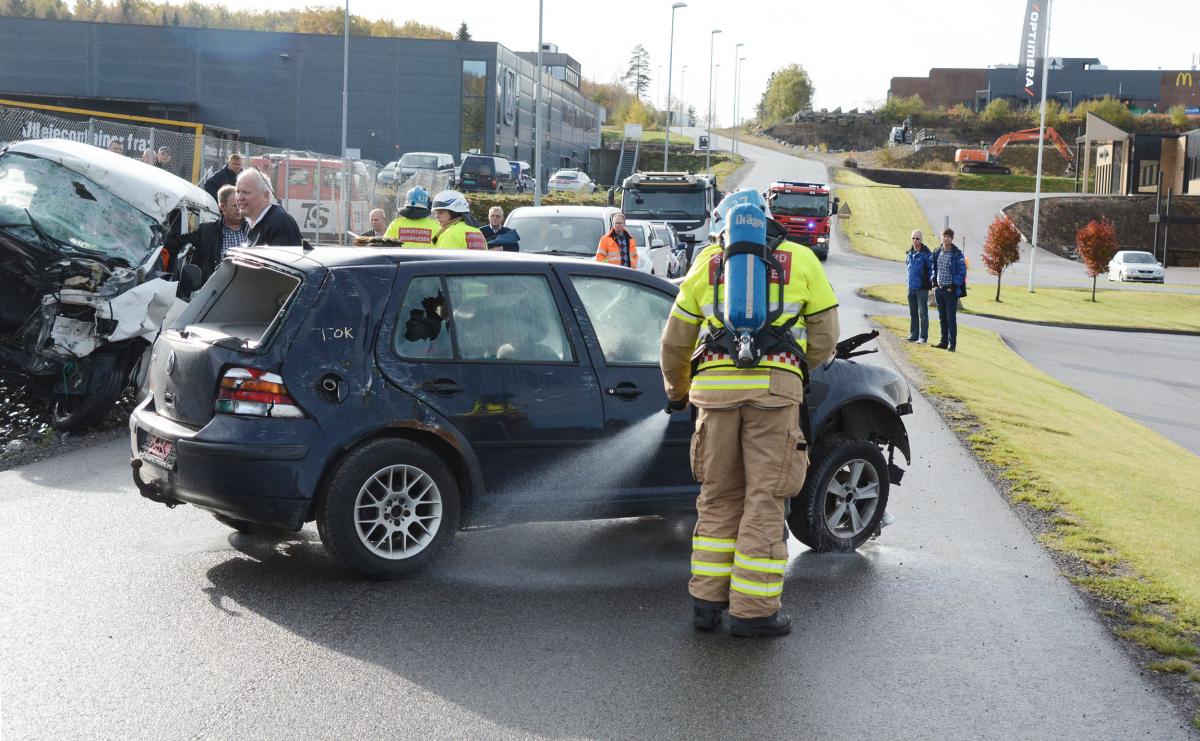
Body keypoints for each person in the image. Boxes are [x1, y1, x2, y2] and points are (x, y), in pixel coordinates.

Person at [660, 189, 840, 639]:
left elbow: (674, 342)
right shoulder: (801, 260)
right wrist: (795, 371)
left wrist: (678, 393)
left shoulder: (706, 264)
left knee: (717, 497)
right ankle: (753, 612)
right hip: (772, 396)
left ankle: (706, 603)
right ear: (768, 219)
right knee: (764, 498)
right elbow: (826, 337)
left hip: (713, 399)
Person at [164, 185, 247, 281]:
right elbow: (176, 242)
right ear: (222, 207)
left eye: (241, 205)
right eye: (235, 206)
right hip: (217, 288)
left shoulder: (253, 230)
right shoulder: (207, 231)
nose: (239, 209)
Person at [237, 167, 303, 247]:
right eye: (237, 192)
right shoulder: (250, 223)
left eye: (246, 192)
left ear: (265, 196)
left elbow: (287, 258)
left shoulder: (279, 223)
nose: (239, 198)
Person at [930, 227, 967, 352]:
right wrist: (933, 282)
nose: (946, 239)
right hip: (939, 290)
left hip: (950, 291)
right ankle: (943, 342)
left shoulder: (956, 254)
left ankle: (952, 345)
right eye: (944, 236)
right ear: (941, 237)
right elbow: (934, 268)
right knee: (942, 317)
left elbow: (962, 272)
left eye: (948, 237)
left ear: (952, 238)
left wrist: (953, 285)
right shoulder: (937, 251)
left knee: (951, 318)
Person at [905, 229, 934, 344]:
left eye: (917, 238)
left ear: (921, 240)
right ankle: (913, 335)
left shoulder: (927, 254)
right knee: (913, 312)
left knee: (923, 313)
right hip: (910, 287)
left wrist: (932, 280)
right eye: (913, 238)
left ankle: (923, 337)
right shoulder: (909, 252)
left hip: (922, 288)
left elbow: (932, 268)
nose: (915, 240)